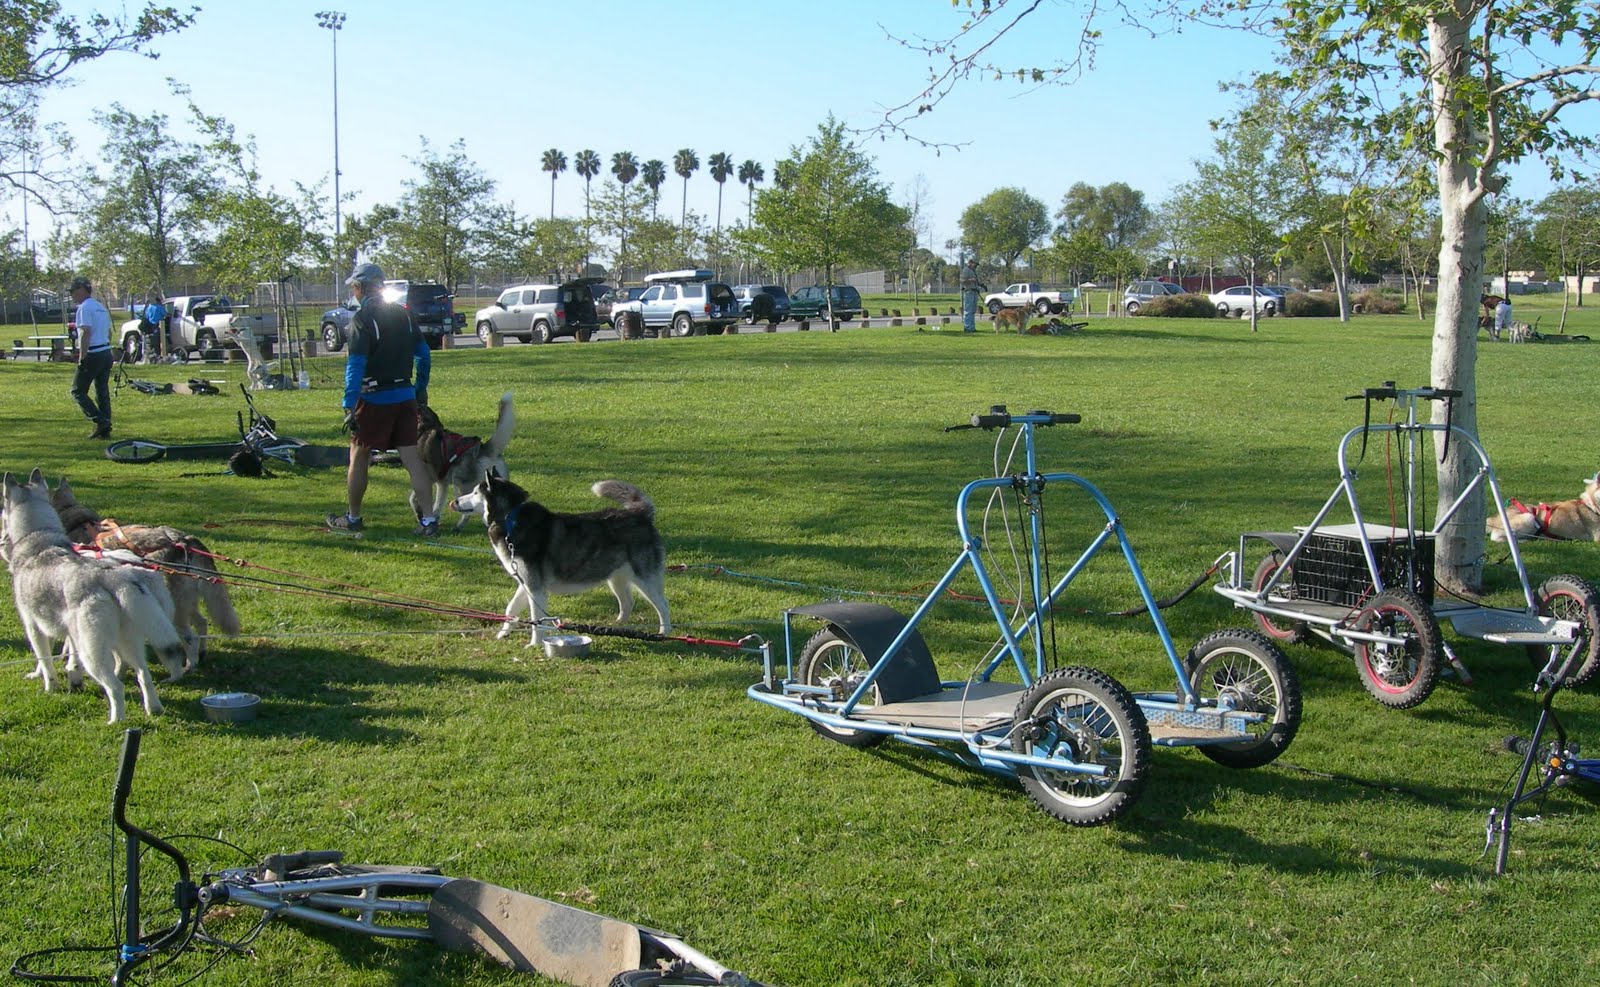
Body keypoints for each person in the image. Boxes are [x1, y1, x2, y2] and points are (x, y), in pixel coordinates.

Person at [325, 262, 439, 537]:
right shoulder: (404, 315)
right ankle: (429, 521)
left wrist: (349, 403)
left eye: (354, 287)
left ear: (361, 288)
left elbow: (356, 365)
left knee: (359, 455)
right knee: (412, 458)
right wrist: (420, 387)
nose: (354, 292)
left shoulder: (361, 319)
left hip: (374, 398)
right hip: (405, 396)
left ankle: (352, 518)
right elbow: (424, 355)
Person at [68, 275, 114, 438]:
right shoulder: (100, 307)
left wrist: (82, 356)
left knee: (77, 391)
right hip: (106, 352)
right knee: (102, 391)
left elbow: (85, 332)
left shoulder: (84, 308)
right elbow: (109, 332)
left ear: (81, 290)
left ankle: (100, 421)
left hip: (93, 353)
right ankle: (105, 429)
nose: (72, 295)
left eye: (73, 291)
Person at [959, 258, 986, 334]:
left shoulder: (973, 271)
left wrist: (981, 285)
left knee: (973, 311)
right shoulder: (966, 270)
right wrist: (970, 280)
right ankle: (967, 328)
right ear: (970, 263)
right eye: (975, 264)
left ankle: (972, 327)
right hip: (969, 292)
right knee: (968, 311)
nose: (976, 266)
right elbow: (962, 281)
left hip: (974, 292)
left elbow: (976, 282)